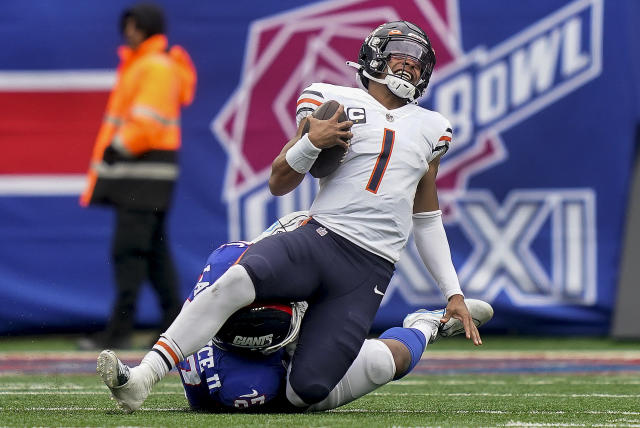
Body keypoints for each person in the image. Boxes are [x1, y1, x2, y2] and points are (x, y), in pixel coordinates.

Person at [96, 20, 479, 412]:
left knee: (307, 391)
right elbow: (280, 181)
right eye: (401, 55)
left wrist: (454, 293)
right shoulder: (330, 99)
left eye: (418, 63)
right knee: (234, 283)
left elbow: (427, 217)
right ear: (374, 56)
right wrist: (312, 142)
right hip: (320, 237)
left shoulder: (434, 128)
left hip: (369, 268)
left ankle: (423, 326)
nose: (409, 67)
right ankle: (142, 378)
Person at [98, 212, 493, 412]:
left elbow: (254, 263)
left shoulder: (228, 264)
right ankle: (427, 325)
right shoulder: (244, 384)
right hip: (284, 380)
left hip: (267, 283)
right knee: (382, 362)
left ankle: (144, 374)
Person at [79, 3, 197, 350]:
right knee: (155, 253)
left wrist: (118, 147)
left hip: (141, 174)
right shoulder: (147, 65)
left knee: (129, 251)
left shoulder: (153, 66)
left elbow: (147, 121)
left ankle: (120, 329)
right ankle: (172, 327)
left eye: (134, 25)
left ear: (147, 28)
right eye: (127, 24)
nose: (127, 31)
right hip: (147, 175)